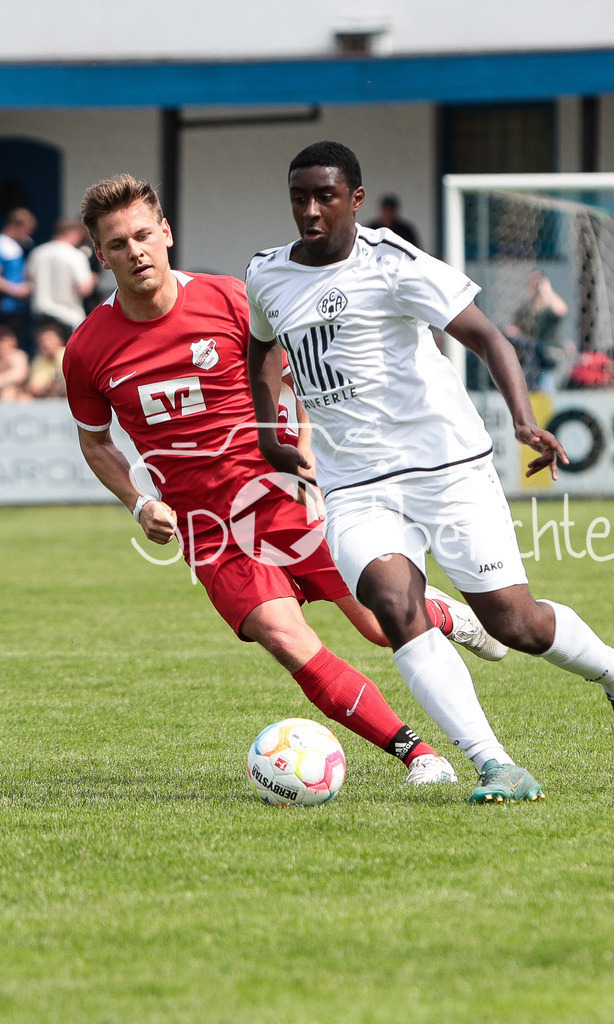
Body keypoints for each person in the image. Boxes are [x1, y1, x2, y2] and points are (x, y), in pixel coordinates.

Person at [246, 140, 614, 803]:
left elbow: (488, 336)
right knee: (393, 605)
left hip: (448, 467)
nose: (311, 211)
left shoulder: (394, 263)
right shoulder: (268, 273)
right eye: (300, 198)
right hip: (355, 484)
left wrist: (523, 421)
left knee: (513, 624)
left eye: (326, 196)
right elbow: (263, 347)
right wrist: (271, 431)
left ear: (356, 198)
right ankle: (495, 765)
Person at [63, 174, 505, 792]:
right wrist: (139, 503)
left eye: (143, 235)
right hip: (210, 531)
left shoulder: (230, 299)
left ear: (165, 233)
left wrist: (307, 457)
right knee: (283, 636)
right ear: (100, 254)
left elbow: (300, 381)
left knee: (378, 624)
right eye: (118, 244)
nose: (135, 251)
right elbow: (95, 441)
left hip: (279, 494)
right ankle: (418, 753)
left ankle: (441, 614)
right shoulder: (87, 349)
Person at [27, 218, 95, 336]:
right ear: (73, 233)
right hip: (67, 316)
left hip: (42, 316)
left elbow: (28, 281)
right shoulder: (76, 255)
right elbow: (85, 289)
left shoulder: (37, 253)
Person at [505, 271, 569, 393]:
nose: (534, 287)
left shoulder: (550, 308)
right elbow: (517, 329)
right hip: (532, 354)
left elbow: (562, 310)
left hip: (550, 352)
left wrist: (547, 291)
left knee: (545, 381)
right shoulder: (526, 310)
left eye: (537, 283)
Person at [0, 207, 37, 349]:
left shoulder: (14, 246)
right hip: (4, 311)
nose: (28, 235)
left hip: (15, 310)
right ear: (16, 226)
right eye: (27, 230)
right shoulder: (3, 245)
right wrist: (17, 290)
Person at [26, 320, 67, 398]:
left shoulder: (67, 355)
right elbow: (33, 388)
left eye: (49, 340)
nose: (45, 344)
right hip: (46, 398)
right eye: (42, 341)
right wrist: (49, 386)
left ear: (60, 341)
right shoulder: (38, 360)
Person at [0, 323, 29, 400]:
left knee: (8, 391)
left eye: (5, 341)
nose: (3, 345)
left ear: (13, 342)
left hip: (18, 396)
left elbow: (19, 375)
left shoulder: (18, 356)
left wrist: (2, 380)